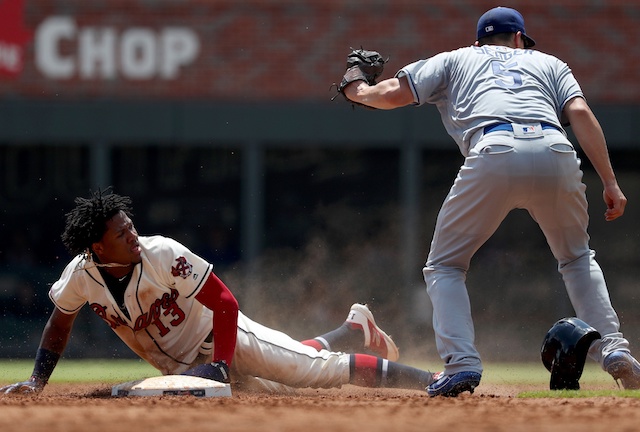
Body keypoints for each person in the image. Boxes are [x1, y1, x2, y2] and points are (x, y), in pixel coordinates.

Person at [338, 6, 640, 397]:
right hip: (556, 149)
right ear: (519, 39)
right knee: (577, 258)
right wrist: (611, 183)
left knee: (445, 265)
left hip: (494, 148)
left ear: (478, 40)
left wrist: (355, 88)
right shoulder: (548, 62)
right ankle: (614, 349)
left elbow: (388, 95)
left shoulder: (456, 57)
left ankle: (462, 364)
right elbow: (580, 111)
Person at [1, 189, 433, 396]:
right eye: (121, 232)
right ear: (98, 247)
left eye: (130, 225)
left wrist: (222, 366)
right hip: (183, 366)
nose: (132, 233)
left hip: (225, 340)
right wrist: (37, 381)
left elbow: (225, 303)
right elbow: (59, 323)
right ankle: (350, 327)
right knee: (287, 389)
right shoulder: (80, 276)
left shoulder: (163, 254)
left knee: (317, 373)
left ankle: (431, 381)